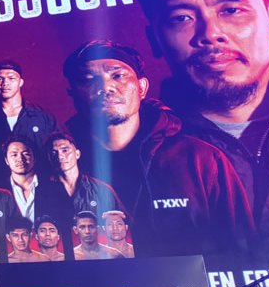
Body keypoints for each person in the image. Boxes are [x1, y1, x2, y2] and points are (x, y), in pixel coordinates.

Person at [138, 0, 269, 255]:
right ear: (155, 40)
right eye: (181, 18)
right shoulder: (141, 150)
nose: (210, 33)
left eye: (231, 10)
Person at [62, 40, 253, 260]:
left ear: (142, 88)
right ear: (72, 93)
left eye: (118, 75)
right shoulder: (55, 166)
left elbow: (243, 249)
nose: (105, 88)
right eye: (89, 79)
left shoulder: (200, 159)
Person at [0, 60, 59, 185]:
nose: (5, 83)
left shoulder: (41, 117)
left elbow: (57, 148)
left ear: (21, 82)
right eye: (0, 79)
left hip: (39, 185)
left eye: (11, 78)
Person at [47, 132, 122, 222]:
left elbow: (123, 222)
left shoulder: (102, 190)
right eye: (53, 152)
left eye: (65, 150)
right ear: (49, 157)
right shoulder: (42, 192)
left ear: (77, 154)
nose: (60, 156)